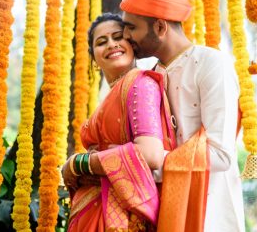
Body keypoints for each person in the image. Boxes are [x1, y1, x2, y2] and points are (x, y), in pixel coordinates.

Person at [120, 0, 245, 232]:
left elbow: (221, 155)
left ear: (160, 26)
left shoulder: (212, 64)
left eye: (131, 27)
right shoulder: (150, 76)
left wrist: (153, 160)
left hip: (210, 214)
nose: (126, 36)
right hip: (165, 212)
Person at [61, 13, 176, 231]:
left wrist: (79, 164)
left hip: (118, 216)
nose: (111, 44)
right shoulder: (112, 95)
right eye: (101, 42)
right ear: (94, 58)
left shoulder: (140, 83)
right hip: (93, 210)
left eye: (118, 37)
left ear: (132, 45)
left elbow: (151, 154)